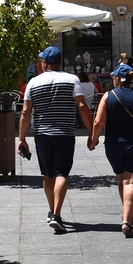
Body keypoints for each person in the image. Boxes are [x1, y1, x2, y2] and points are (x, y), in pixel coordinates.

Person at [18, 46, 94, 233]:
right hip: (65, 134)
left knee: (48, 174)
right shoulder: (72, 79)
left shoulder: (33, 83)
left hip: (42, 134)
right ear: (60, 62)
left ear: (44, 63)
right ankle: (56, 214)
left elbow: (26, 112)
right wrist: (92, 131)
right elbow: (82, 106)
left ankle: (52, 211)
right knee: (62, 173)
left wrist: (21, 138)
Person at [88, 63, 133, 238]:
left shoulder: (108, 96)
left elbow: (98, 123)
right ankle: (127, 220)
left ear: (116, 79)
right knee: (131, 182)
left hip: (114, 145)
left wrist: (93, 140)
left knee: (122, 180)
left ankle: (127, 214)